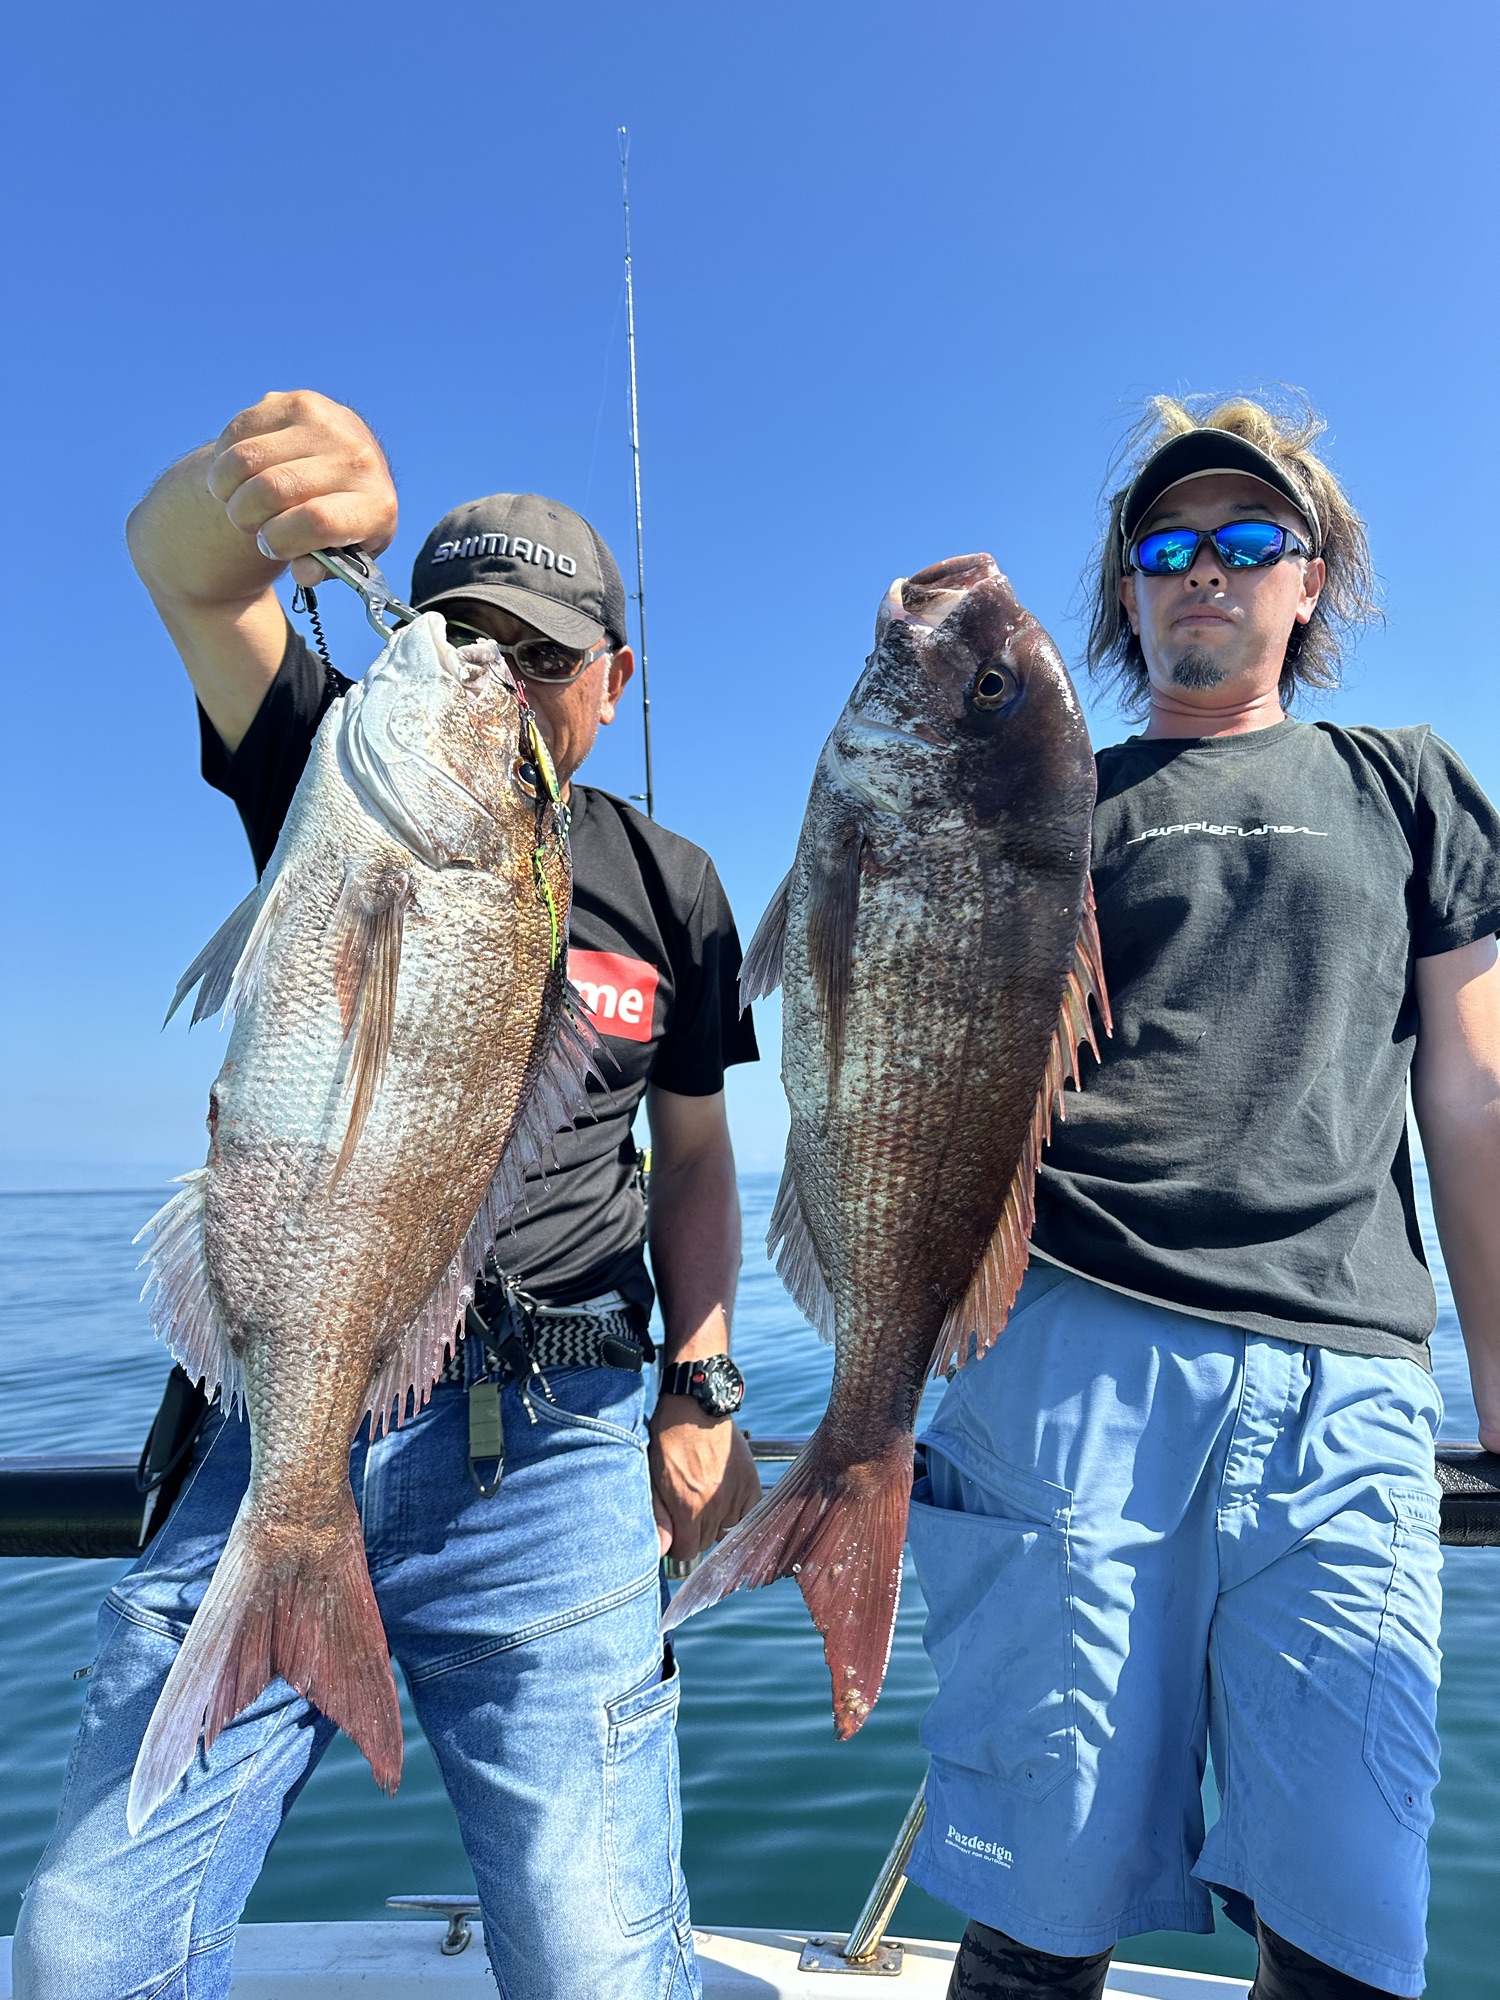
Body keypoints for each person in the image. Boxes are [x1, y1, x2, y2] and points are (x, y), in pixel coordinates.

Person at [13, 390, 762, 2000]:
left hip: (560, 1449)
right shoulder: (332, 768)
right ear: (399, 639)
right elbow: (183, 568)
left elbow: (695, 1159)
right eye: (460, 635)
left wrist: (701, 1383)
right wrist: (252, 493)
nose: (496, 675)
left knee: (593, 1967)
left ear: (615, 685)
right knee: (79, 1951)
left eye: (543, 656)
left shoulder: (676, 884)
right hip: (290, 1407)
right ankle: (293, 1561)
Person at [903, 395, 1500, 2000]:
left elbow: (1474, 1083)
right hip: (1067, 1349)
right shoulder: (1041, 796)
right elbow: (913, 1042)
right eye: (1168, 549)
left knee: (1351, 1921)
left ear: (1314, 585)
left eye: (1251, 545)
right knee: (1042, 1907)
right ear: (1124, 592)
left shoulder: (1407, 785)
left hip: (1350, 1383)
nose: (1206, 575)